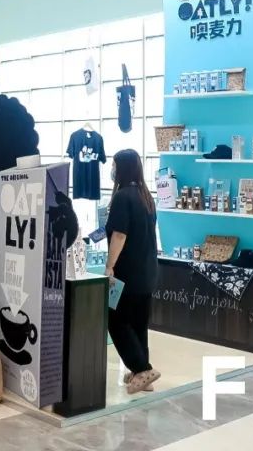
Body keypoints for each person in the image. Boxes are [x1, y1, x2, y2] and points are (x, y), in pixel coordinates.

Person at [104, 149, 161, 395]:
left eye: (114, 165)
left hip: (127, 273)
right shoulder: (146, 197)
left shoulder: (122, 197)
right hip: (147, 271)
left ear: (122, 168)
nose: (112, 170)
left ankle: (142, 368)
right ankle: (141, 372)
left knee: (115, 320)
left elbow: (119, 235)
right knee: (138, 323)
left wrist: (109, 266)